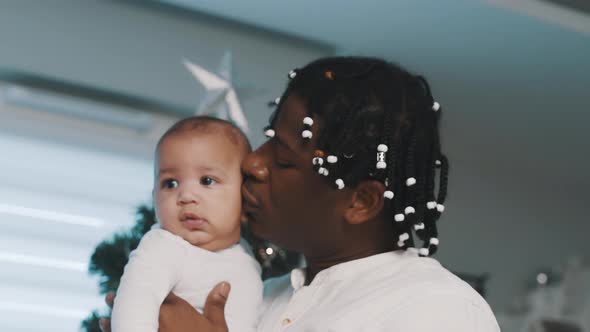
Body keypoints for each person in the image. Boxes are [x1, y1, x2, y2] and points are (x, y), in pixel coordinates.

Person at [102, 56, 500, 331]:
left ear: (360, 202)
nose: (253, 163)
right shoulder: (265, 297)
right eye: (268, 139)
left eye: (284, 158)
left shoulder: (437, 310)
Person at [110, 116, 263, 332]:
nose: (186, 195)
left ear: (245, 195)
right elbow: (135, 303)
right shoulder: (163, 247)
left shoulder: (246, 260)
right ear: (155, 199)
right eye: (170, 183)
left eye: (207, 181)